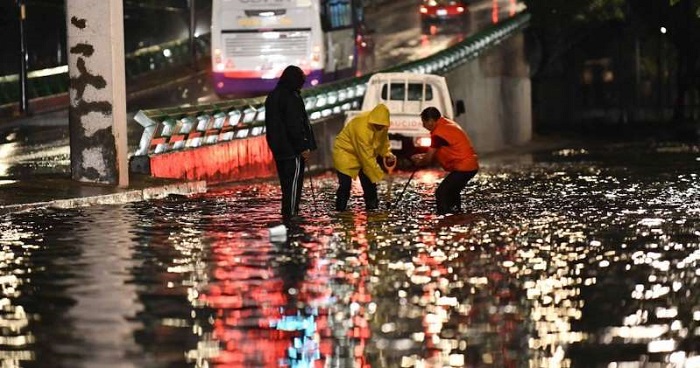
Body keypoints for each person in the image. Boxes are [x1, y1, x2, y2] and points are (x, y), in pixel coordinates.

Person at [264, 65, 317, 222]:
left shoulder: (272, 96)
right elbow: (295, 125)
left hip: (278, 148)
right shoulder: (291, 97)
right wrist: (303, 146)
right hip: (292, 149)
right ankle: (292, 214)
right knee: (294, 183)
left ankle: (287, 212)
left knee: (286, 184)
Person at [410, 107, 478, 215]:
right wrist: (422, 156)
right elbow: (438, 151)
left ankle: (444, 218)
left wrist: (420, 161)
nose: (423, 126)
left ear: (431, 121)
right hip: (470, 166)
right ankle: (456, 216)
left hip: (464, 167)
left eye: (424, 122)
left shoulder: (438, 134)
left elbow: (428, 159)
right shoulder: (446, 124)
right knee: (452, 191)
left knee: (442, 193)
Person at [333, 103, 396, 211]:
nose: (380, 127)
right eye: (378, 125)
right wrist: (381, 176)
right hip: (345, 153)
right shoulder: (361, 127)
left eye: (382, 125)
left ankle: (372, 208)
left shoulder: (382, 126)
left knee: (369, 183)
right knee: (345, 185)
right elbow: (366, 157)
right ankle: (340, 210)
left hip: (364, 154)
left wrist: (387, 154)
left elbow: (382, 142)